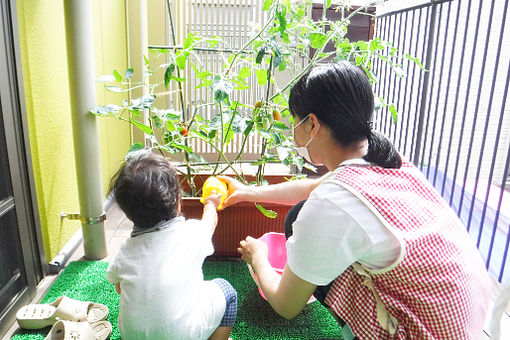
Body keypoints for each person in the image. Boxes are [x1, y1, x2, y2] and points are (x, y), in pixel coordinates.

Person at [221, 61, 492, 339]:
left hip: (426, 331)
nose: (292, 130)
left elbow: (286, 305)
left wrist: (259, 258)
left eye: (294, 120)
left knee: (303, 225)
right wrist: (245, 192)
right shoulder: (380, 157)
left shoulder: (333, 203)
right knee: (299, 217)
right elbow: (311, 189)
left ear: (312, 124)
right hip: (463, 312)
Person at [106, 151, 237, 340]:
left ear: (128, 213)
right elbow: (210, 221)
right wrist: (210, 203)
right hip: (183, 335)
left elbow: (119, 287)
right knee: (227, 291)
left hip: (133, 336)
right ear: (178, 202)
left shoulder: (124, 252)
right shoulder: (191, 234)